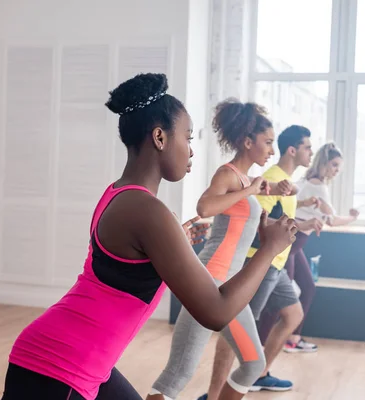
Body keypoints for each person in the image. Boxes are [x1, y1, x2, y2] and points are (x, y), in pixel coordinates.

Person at [0, 73, 297, 400]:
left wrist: (173, 238)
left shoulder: (119, 194)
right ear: (159, 137)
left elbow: (125, 265)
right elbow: (216, 312)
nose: (191, 152)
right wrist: (269, 249)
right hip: (59, 369)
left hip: (68, 356)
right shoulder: (149, 212)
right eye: (187, 138)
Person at [146, 98, 295, 400]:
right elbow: (205, 206)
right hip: (209, 282)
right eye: (267, 143)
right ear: (247, 141)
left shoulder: (245, 181)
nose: (271, 150)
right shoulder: (227, 174)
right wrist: (251, 189)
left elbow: (242, 214)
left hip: (230, 288)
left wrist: (262, 198)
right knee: (178, 374)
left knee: (254, 363)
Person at [199, 125, 323, 399]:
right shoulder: (269, 178)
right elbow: (259, 222)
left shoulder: (284, 181)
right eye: (307, 147)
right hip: (260, 263)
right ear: (293, 150)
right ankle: (215, 392)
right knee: (237, 329)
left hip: (275, 265)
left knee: (294, 315)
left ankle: (258, 374)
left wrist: (302, 224)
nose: (311, 152)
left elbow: (280, 222)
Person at [257, 142, 360, 353]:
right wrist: (352, 217)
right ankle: (263, 344)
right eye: (334, 165)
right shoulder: (317, 185)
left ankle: (292, 337)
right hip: (290, 245)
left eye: (339, 166)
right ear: (323, 163)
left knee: (306, 288)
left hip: (295, 245)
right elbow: (330, 219)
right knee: (279, 302)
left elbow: (301, 208)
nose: (336, 170)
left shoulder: (306, 181)